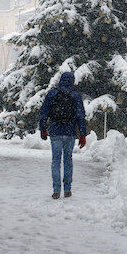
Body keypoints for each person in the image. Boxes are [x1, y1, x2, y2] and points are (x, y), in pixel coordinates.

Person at [39, 72, 87, 200]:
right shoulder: (75, 95)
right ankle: (67, 189)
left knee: (55, 160)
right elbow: (80, 116)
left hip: (55, 131)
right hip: (70, 131)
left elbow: (43, 112)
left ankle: (56, 190)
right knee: (68, 160)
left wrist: (43, 129)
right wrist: (83, 134)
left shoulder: (52, 93)